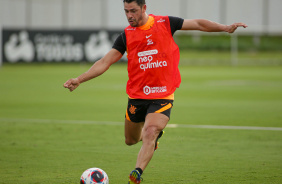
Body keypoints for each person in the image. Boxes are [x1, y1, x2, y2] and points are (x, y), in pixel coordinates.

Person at [63, 0, 247, 183]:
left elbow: (198, 23)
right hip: (136, 97)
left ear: (144, 8)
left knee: (150, 131)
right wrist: (79, 79)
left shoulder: (166, 23)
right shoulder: (126, 36)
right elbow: (105, 62)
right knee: (131, 140)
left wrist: (225, 28)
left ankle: (137, 173)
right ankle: (153, 139)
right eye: (126, 11)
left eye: (133, 11)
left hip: (162, 94)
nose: (129, 16)